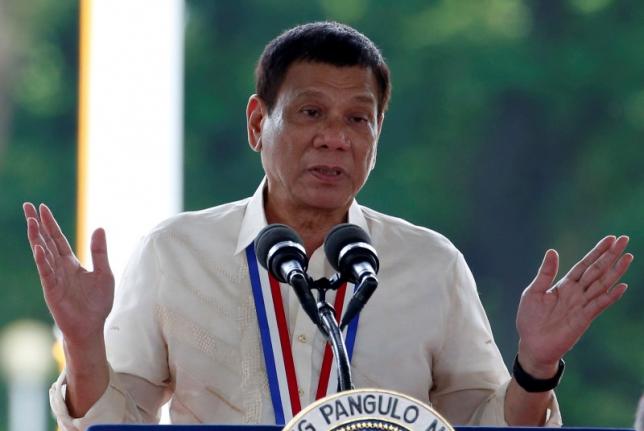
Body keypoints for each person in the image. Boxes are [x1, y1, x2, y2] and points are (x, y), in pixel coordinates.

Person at [24, 22, 633, 431]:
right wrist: (81, 341)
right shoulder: (175, 253)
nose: (334, 139)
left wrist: (535, 364)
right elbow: (110, 419)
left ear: (378, 137)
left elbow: (486, 423)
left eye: (358, 120)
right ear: (258, 122)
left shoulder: (430, 264)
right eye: (311, 112)